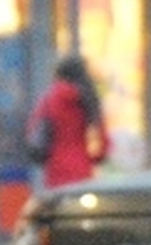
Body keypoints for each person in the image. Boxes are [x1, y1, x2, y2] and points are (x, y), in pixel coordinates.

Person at [24, 54, 107, 188]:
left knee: (60, 206)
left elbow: (33, 129)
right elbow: (102, 139)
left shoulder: (49, 98)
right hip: (82, 164)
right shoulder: (89, 98)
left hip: (56, 166)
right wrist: (95, 158)